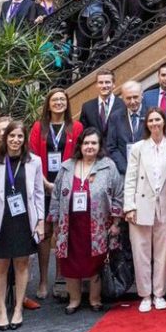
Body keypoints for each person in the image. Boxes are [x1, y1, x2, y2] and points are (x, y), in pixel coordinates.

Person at [0, 119, 45, 331]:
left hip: (25, 220)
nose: (15, 140)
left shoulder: (34, 161)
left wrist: (41, 222)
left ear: (25, 139)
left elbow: (38, 194)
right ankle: (2, 309)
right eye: (12, 136)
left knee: (22, 264)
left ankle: (18, 308)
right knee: (0, 265)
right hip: (1, 220)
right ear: (5, 137)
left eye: (20, 136)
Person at [52, 127, 123, 315]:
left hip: (98, 226)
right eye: (86, 143)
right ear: (80, 145)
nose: (89, 146)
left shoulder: (108, 166)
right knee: (70, 262)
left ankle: (95, 298)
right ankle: (74, 300)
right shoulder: (67, 167)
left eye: (93, 143)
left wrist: (116, 223)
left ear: (99, 146)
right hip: (70, 227)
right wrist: (55, 223)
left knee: (96, 261)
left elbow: (118, 195)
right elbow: (56, 196)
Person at [123, 108, 166, 312]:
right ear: (146, 124)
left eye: (158, 119)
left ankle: (159, 293)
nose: (155, 123)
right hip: (141, 205)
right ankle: (145, 295)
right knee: (141, 253)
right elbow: (130, 177)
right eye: (151, 120)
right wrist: (129, 206)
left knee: (163, 253)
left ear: (164, 122)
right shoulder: (138, 148)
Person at [29, 88, 80, 303]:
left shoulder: (76, 127)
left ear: (67, 103)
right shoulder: (38, 127)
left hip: (66, 187)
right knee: (45, 233)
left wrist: (60, 185)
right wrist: (45, 183)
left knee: (62, 231)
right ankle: (43, 280)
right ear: (48, 104)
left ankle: (60, 277)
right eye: (54, 100)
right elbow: (32, 156)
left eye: (62, 99)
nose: (58, 103)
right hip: (42, 186)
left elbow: (78, 157)